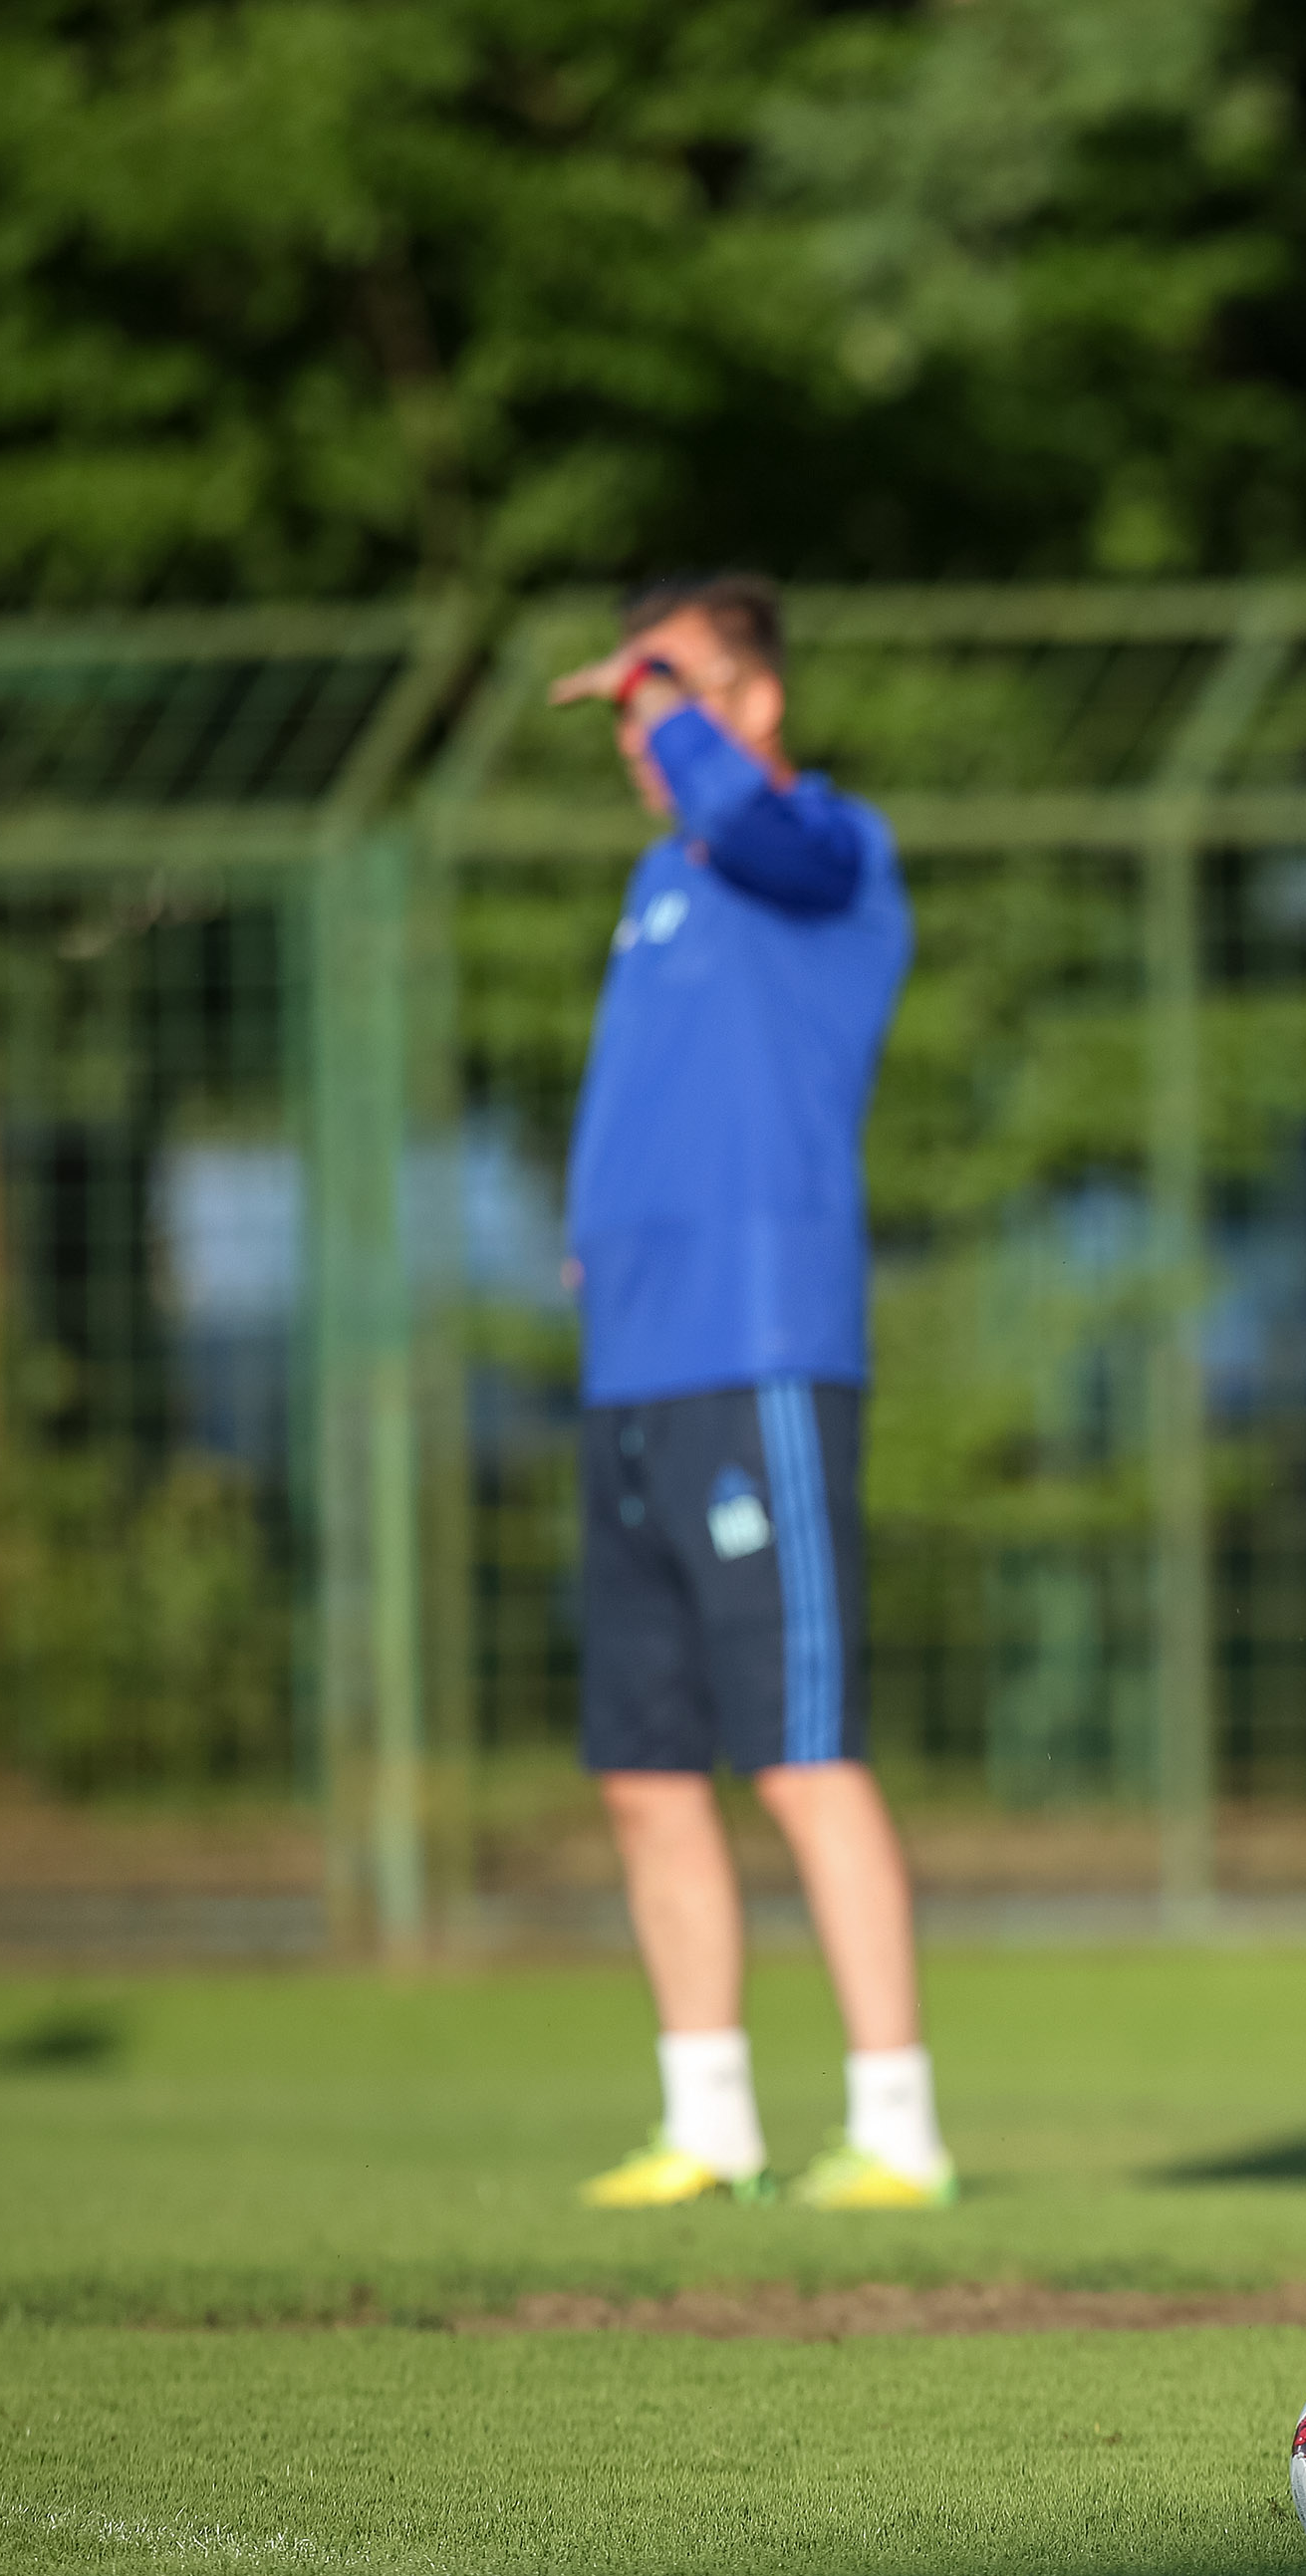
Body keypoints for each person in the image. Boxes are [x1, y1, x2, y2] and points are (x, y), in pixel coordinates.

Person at [551, 574, 952, 2211]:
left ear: (756, 701)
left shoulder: (828, 850)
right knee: (646, 1770)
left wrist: (662, 701)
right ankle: (708, 2122)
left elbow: (750, 820)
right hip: (632, 1369)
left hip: (759, 1348)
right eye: (631, 697)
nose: (640, 727)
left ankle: (897, 2128)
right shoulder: (662, 881)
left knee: (799, 1749)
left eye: (672, 688)